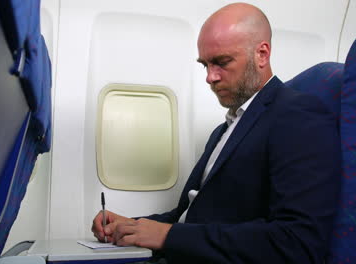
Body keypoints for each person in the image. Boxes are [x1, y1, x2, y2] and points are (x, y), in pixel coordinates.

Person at [91, 3, 341, 263]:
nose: (210, 77)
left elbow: (297, 241)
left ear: (262, 54)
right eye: (205, 65)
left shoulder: (298, 115)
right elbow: (189, 216)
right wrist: (130, 226)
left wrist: (168, 236)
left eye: (222, 62)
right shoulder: (223, 131)